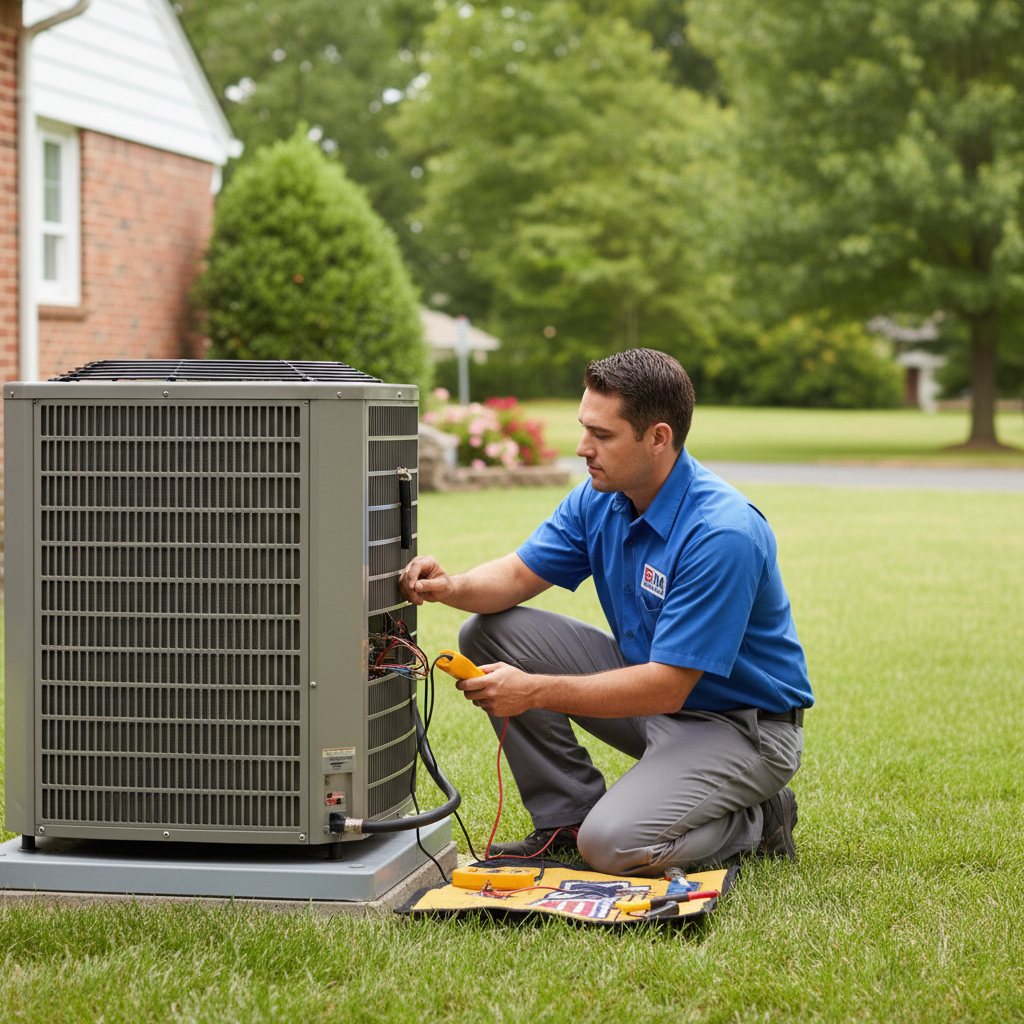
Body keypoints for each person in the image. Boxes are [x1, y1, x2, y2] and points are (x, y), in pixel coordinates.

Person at [398, 349, 812, 876]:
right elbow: (516, 577)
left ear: (658, 437)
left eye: (603, 435)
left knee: (613, 847)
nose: (582, 448)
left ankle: (757, 817)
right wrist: (451, 585)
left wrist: (535, 690)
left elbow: (668, 686)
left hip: (739, 726)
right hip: (653, 694)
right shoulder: (603, 496)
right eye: (583, 428)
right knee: (490, 629)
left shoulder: (721, 533)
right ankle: (565, 818)